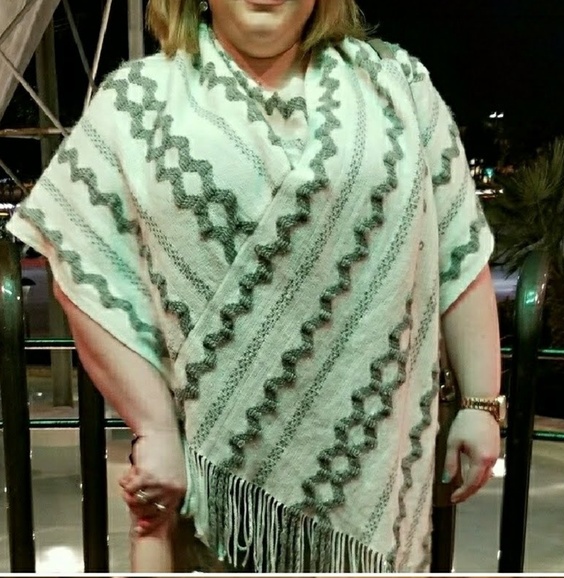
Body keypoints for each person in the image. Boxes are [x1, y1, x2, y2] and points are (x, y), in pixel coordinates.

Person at [6, 0, 502, 572]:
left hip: (378, 481)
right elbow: (85, 269)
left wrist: (482, 402)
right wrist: (154, 428)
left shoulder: (399, 87)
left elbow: (457, 248)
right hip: (208, 500)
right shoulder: (137, 102)